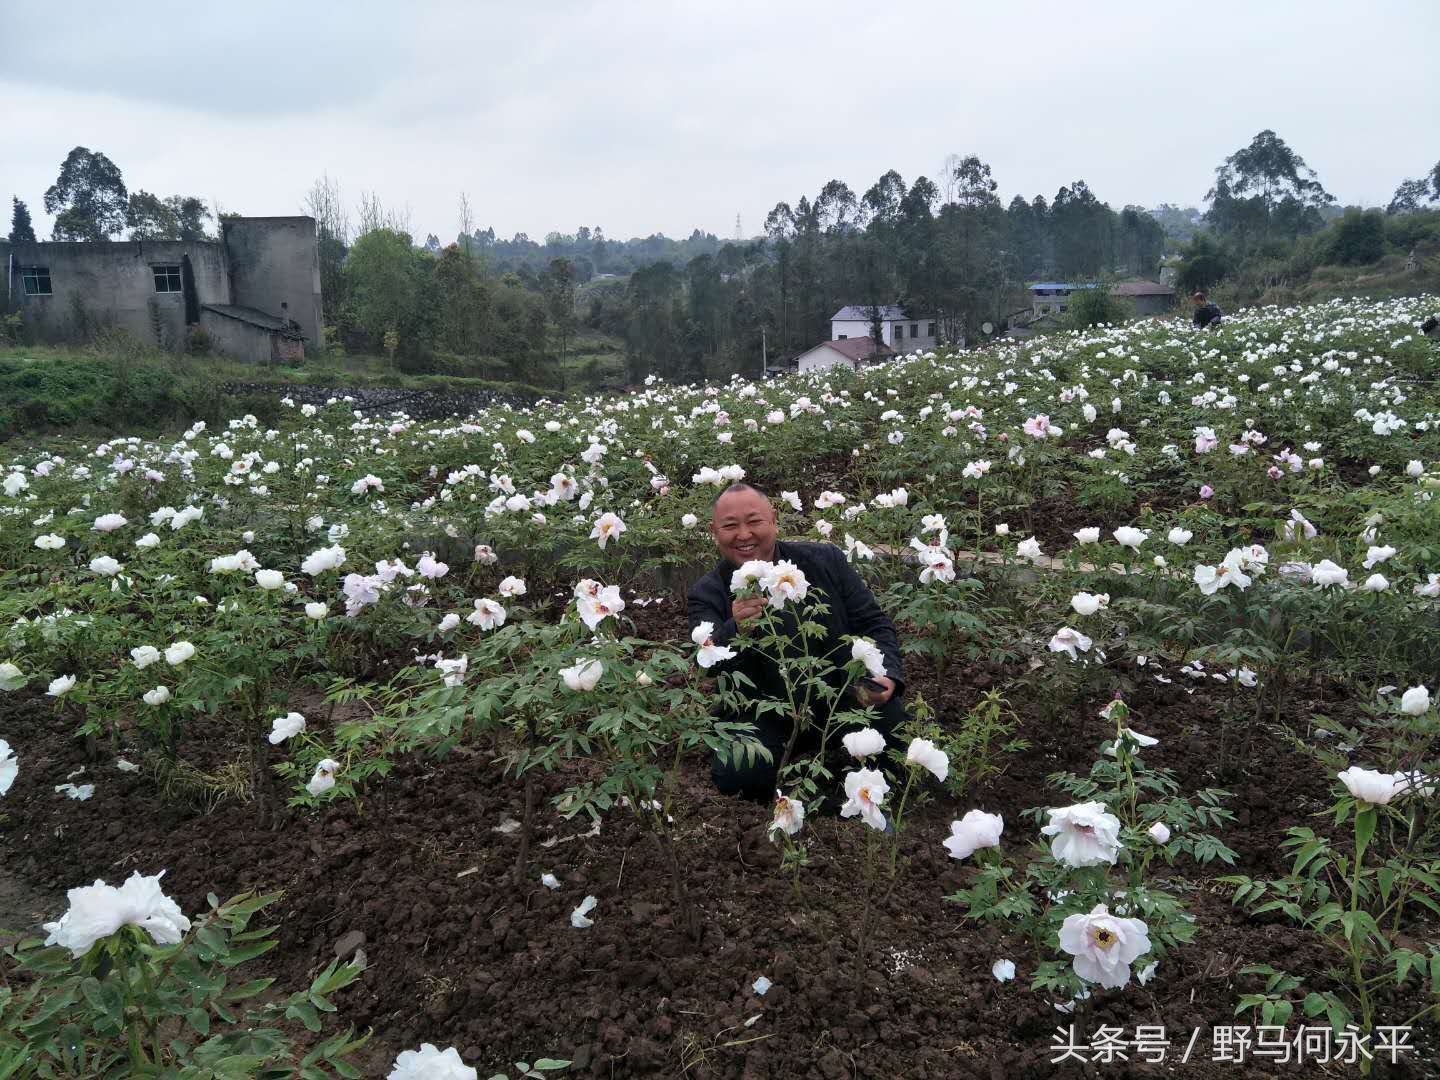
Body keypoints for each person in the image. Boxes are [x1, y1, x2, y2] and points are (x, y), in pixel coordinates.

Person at [687, 482, 907, 799]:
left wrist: (887, 675)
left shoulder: (825, 560)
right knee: (739, 774)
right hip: (762, 715)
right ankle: (800, 804)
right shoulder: (706, 593)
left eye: (754, 521)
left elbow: (874, 622)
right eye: (730, 526)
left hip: (840, 696)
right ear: (714, 531)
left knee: (895, 732)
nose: (744, 534)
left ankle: (848, 798)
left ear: (773, 520)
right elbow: (704, 661)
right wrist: (736, 628)